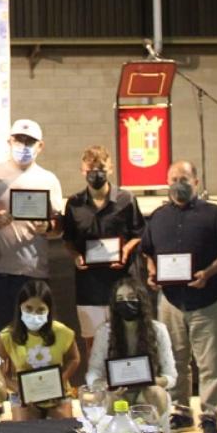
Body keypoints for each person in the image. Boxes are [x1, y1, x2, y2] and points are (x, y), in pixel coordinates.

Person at [141, 159, 217, 433]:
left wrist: (209, 272)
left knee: (210, 363)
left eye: (184, 179)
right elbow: (148, 251)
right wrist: (151, 272)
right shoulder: (158, 216)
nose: (178, 184)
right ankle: (181, 412)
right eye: (173, 179)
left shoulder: (214, 214)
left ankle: (210, 417)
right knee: (175, 361)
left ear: (196, 182)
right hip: (170, 301)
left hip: (207, 299)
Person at [0, 119, 65, 336]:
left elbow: (58, 225)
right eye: (19, 140)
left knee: (32, 337)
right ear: (9, 141)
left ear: (40, 146)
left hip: (33, 271)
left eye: (29, 141)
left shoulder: (49, 179)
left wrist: (47, 226)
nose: (23, 146)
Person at [61, 144, 144, 355]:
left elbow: (139, 234)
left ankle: (127, 378)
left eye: (101, 169)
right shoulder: (74, 203)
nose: (96, 174)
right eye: (90, 170)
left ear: (111, 169)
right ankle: (98, 378)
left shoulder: (127, 199)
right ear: (82, 171)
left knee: (129, 343)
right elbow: (68, 239)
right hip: (89, 288)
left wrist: (126, 250)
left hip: (123, 285)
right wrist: (76, 256)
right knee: (94, 348)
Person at [85, 277, 177, 421]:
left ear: (142, 301)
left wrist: (152, 381)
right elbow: (93, 372)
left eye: (131, 297)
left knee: (156, 392)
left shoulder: (158, 330)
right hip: (117, 392)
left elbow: (171, 376)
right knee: (110, 398)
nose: (126, 302)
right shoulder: (104, 332)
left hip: (146, 391)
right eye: (120, 299)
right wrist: (103, 385)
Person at [0, 280, 80, 420]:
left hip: (57, 393)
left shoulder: (63, 332)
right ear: (20, 307)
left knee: (62, 426)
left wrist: (61, 379)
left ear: (49, 310)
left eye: (40, 310)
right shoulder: (6, 336)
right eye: (28, 308)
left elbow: (74, 358)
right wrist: (15, 387)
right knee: (25, 428)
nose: (34, 314)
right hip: (22, 395)